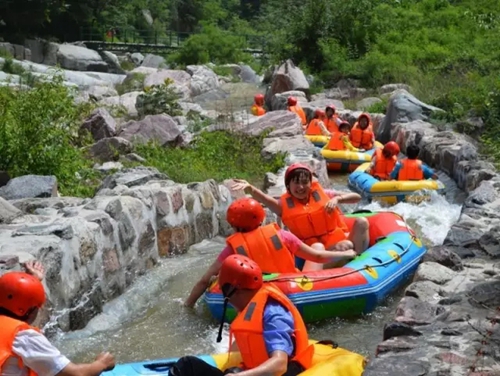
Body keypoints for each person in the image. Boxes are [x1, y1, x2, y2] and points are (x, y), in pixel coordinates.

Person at [184, 198, 357, 308]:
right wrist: (346, 254)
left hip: (258, 293)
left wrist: (188, 305)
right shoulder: (282, 235)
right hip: (295, 288)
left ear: (233, 225)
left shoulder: (232, 248)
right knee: (319, 247)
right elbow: (317, 257)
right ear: (261, 218)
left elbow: (205, 280)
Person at [171, 255, 314, 376]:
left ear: (236, 291)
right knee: (189, 365)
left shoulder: (273, 313)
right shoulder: (250, 307)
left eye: (225, 293)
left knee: (186, 365)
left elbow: (280, 364)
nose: (227, 299)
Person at [0, 261, 116, 376]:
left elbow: (10, 295)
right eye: (37, 308)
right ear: (29, 312)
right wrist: (102, 363)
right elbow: (75, 375)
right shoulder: (24, 337)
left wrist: (31, 282)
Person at [231, 164, 369, 255]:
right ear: (288, 185)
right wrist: (251, 189)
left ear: (311, 183)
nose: (301, 187)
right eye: (296, 183)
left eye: (304, 182)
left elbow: (357, 197)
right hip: (312, 253)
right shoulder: (282, 205)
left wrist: (338, 199)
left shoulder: (323, 194)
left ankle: (361, 264)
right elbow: (265, 199)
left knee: (362, 222)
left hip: (336, 240)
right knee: (345, 246)